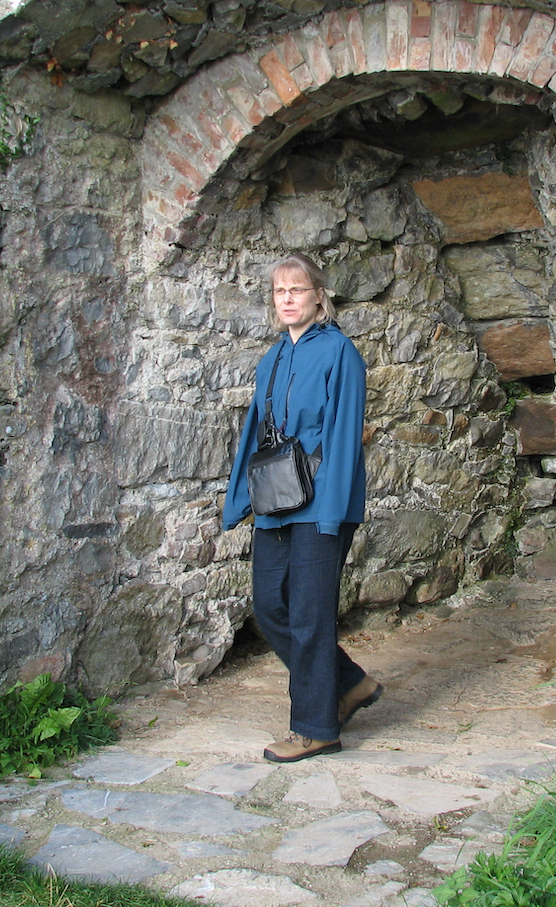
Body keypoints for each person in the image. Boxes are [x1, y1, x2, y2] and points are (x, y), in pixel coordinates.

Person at [223, 253, 383, 762]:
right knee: (271, 607)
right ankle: (349, 683)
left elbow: (343, 436)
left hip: (322, 503)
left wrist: (332, 511)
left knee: (310, 615)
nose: (288, 299)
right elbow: (255, 436)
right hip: (276, 500)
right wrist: (240, 500)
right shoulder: (270, 360)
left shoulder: (340, 353)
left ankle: (316, 728)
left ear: (319, 296)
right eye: (280, 291)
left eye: (297, 289)